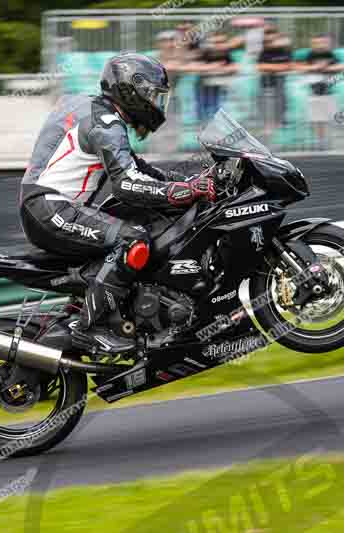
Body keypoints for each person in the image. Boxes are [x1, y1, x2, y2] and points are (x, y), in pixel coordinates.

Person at [18, 53, 216, 354]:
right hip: (50, 208)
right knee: (132, 240)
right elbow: (126, 184)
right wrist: (183, 191)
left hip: (45, 205)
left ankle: (109, 309)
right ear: (130, 89)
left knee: (135, 219)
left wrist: (186, 181)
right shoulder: (105, 121)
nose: (156, 104)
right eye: (152, 95)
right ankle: (90, 328)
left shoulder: (94, 109)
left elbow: (136, 168)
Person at [294, 34, 343, 146]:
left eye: (323, 42)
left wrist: (326, 68)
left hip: (329, 91)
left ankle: (330, 141)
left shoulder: (331, 55)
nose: (321, 45)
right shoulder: (308, 55)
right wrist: (314, 68)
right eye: (317, 43)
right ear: (313, 44)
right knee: (317, 119)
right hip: (313, 92)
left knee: (331, 118)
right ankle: (320, 142)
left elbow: (341, 66)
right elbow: (296, 67)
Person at [191, 32, 238, 121]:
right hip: (205, 89)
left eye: (221, 42)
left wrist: (214, 68)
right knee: (203, 113)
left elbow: (234, 68)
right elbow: (194, 67)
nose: (218, 46)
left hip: (222, 91)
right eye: (215, 42)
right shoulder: (203, 54)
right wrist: (214, 67)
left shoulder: (228, 55)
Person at [257, 25, 293, 132]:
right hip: (266, 86)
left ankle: (280, 126)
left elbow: (290, 65)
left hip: (282, 87)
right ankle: (268, 128)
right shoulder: (263, 52)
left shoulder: (285, 51)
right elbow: (260, 67)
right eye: (268, 40)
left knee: (282, 105)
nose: (271, 42)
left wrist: (272, 68)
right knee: (266, 108)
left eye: (273, 39)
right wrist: (279, 68)